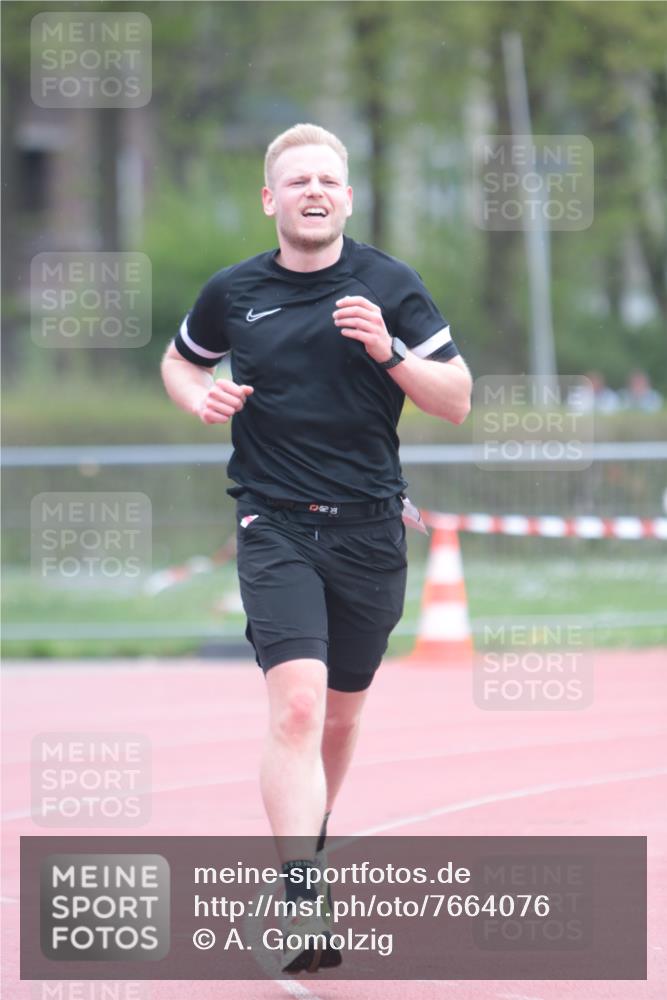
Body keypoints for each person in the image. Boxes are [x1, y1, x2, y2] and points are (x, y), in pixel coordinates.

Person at [161, 123, 472, 974]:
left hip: (370, 529)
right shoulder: (235, 292)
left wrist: (388, 350)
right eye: (297, 180)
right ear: (271, 198)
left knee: (339, 714)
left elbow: (456, 400)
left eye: (328, 180)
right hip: (274, 522)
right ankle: (301, 898)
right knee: (295, 707)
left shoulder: (389, 286)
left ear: (346, 195)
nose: (314, 191)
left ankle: (311, 845)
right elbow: (180, 360)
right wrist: (200, 397)